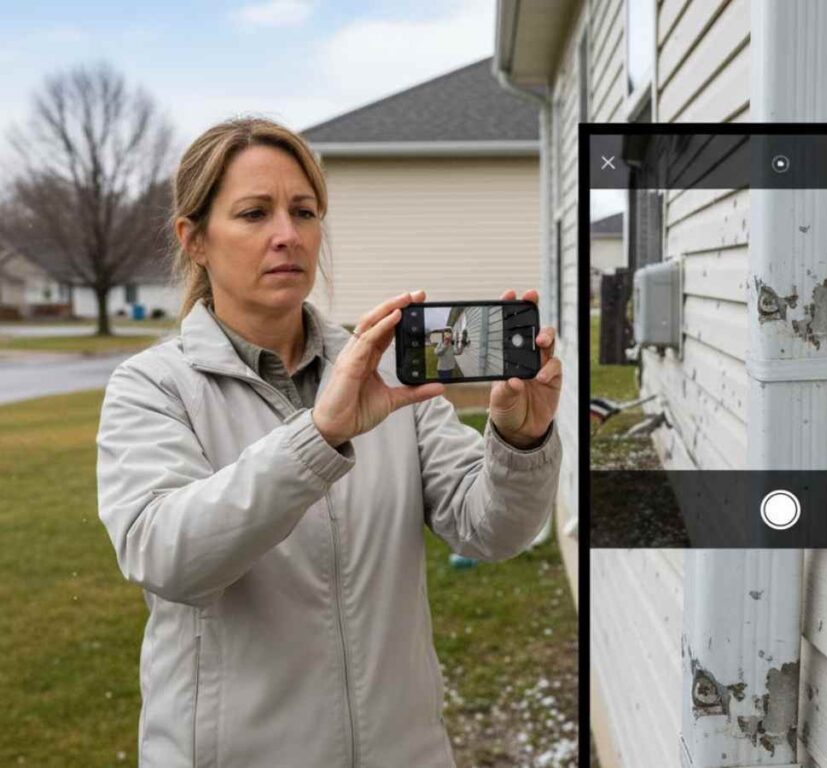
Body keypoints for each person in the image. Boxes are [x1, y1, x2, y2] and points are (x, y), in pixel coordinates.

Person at [95, 117, 563, 768]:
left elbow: (492, 532)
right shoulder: (153, 386)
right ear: (194, 239)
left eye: (304, 211)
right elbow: (166, 556)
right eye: (254, 213)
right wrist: (318, 435)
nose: (287, 235)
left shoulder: (386, 371)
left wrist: (520, 438)